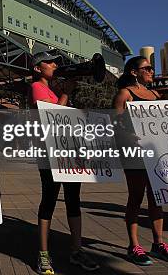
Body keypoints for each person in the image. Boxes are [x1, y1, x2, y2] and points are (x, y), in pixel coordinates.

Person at [29, 51, 99, 275]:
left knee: (73, 199)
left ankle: (77, 250)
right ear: (37, 68)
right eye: (49, 62)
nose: (54, 65)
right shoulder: (37, 88)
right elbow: (53, 115)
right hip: (49, 151)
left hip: (68, 150)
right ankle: (43, 254)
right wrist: (66, 93)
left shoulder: (54, 89)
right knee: (49, 199)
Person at [112, 56, 168, 266]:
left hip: (156, 153)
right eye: (147, 68)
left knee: (157, 198)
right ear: (134, 72)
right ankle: (134, 246)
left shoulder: (155, 95)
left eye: (152, 68)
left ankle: (158, 244)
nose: (152, 71)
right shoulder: (125, 94)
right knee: (136, 198)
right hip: (134, 154)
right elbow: (114, 126)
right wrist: (128, 137)